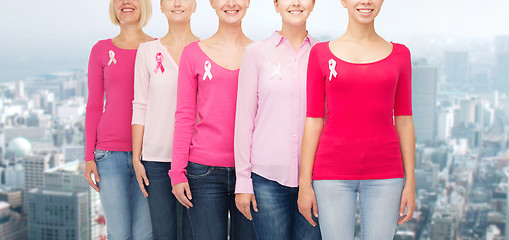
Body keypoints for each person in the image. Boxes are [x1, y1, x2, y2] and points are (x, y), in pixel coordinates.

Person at [297, 0, 416, 239]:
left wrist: (411, 182)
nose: (365, 1)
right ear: (343, 1)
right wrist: (304, 184)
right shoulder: (320, 54)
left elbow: (404, 120)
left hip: (387, 174)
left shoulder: (401, 54)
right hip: (331, 174)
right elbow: (313, 120)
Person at [234, 0, 321, 239]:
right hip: (266, 181)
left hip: (315, 179)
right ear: (275, 4)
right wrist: (243, 181)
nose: (295, 3)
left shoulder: (323, 55)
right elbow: (244, 120)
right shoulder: (255, 54)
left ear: (313, 4)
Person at [169, 0, 256, 239]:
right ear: (212, 3)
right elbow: (185, 115)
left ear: (248, 2)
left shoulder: (260, 54)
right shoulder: (193, 53)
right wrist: (177, 172)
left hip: (250, 172)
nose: (231, 3)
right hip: (203, 173)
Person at [84, 0, 154, 239]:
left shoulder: (158, 48)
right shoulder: (101, 49)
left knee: (145, 234)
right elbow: (94, 106)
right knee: (119, 234)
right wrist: (88, 157)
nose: (126, 2)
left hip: (149, 155)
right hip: (108, 156)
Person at [131, 0, 199, 239]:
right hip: (156, 161)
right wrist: (136, 157)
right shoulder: (147, 51)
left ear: (195, 5)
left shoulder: (206, 50)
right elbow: (140, 105)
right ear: (161, 6)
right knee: (163, 234)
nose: (177, 3)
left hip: (197, 161)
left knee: (194, 235)